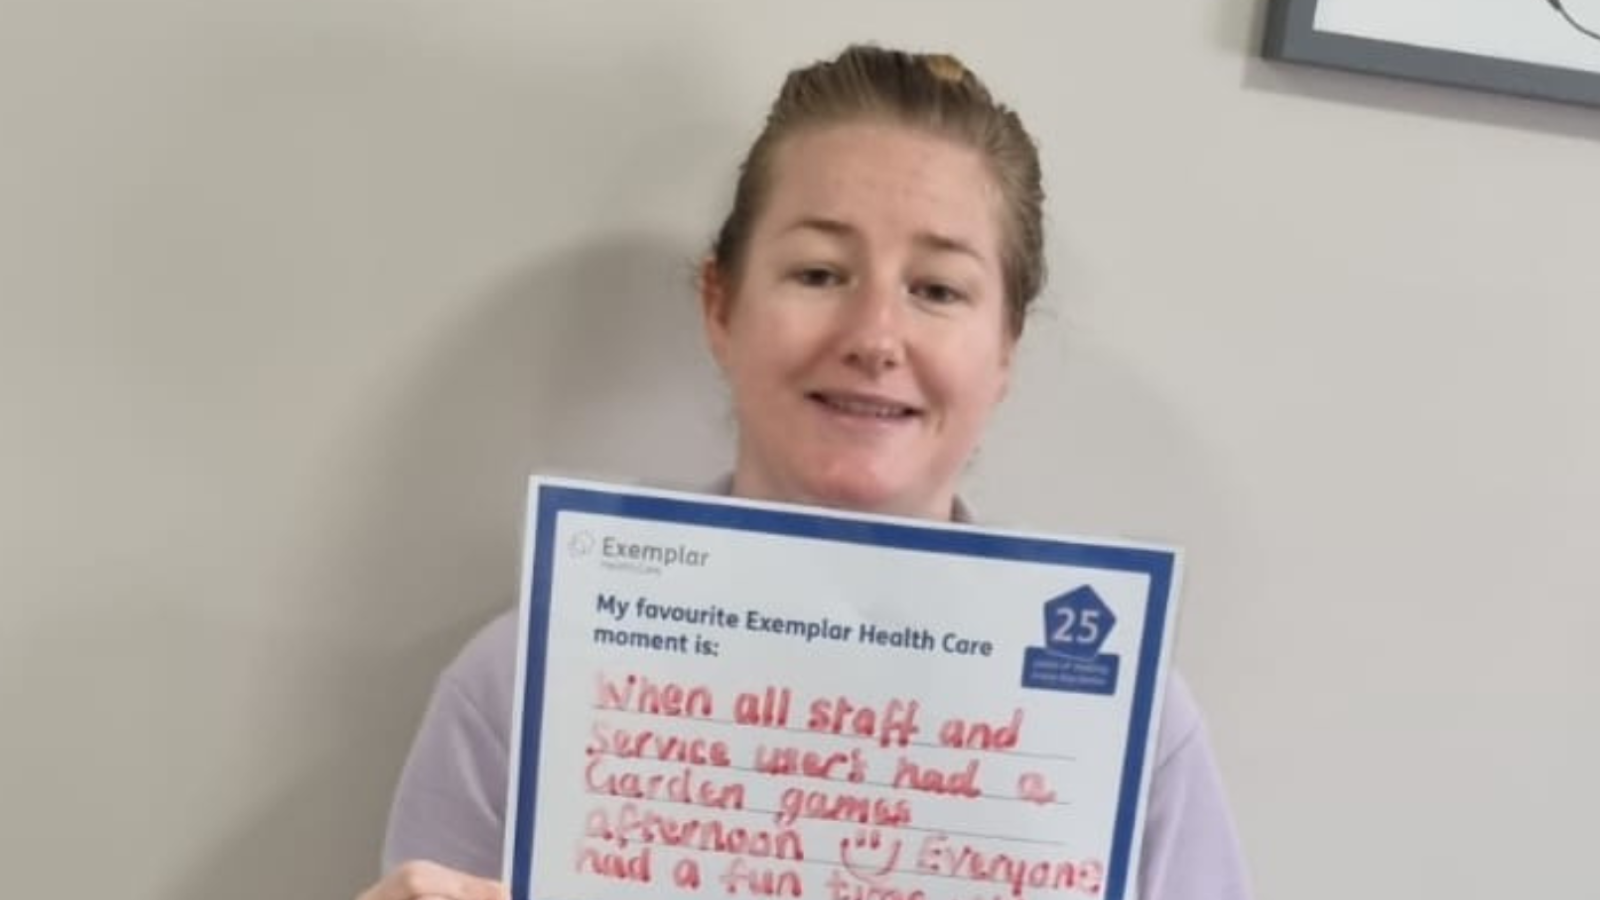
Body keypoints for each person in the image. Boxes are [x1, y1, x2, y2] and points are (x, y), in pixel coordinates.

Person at [359, 44, 1251, 900]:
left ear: (1005, 348)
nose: (873, 338)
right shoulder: (520, 685)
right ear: (722, 306)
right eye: (820, 272)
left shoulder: (1131, 727)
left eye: (937, 288)